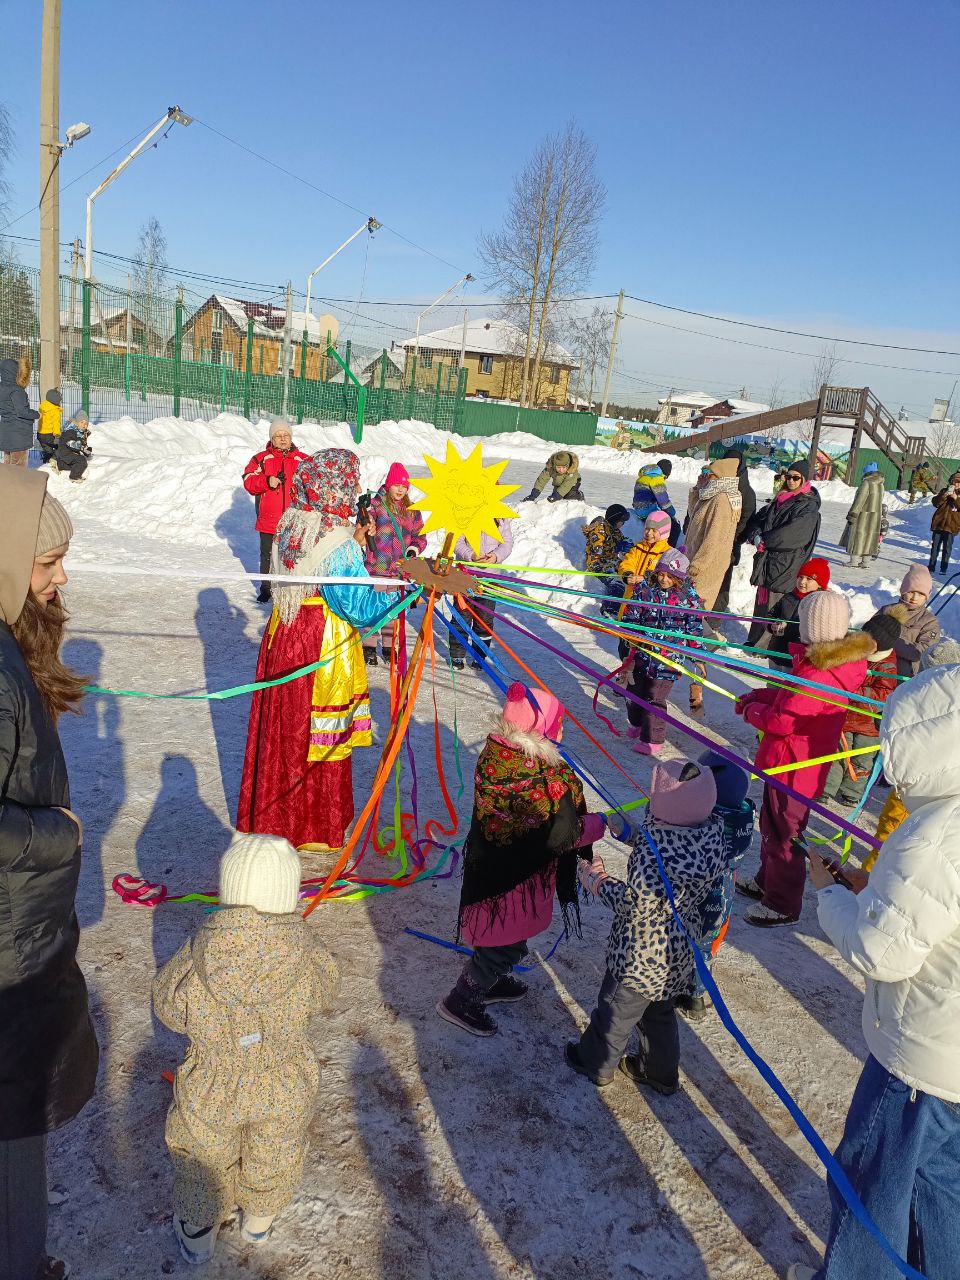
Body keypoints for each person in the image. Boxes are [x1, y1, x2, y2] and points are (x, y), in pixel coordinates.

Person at [789, 665, 960, 1280]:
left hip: (921, 1064)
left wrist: (828, 894)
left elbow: (882, 952)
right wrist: (876, 892)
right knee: (944, 1194)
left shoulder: (938, 834)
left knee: (869, 1192)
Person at [153, 832, 341, 1265]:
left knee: (202, 1154)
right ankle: (259, 1218)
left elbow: (168, 1005)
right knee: (277, 1148)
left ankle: (199, 1232)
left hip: (212, 1082)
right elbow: (327, 989)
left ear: (229, 891)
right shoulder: (308, 952)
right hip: (285, 1079)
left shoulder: (199, 953)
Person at [0, 469, 99, 1280]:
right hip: (8, 947)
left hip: (19, 925)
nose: (60, 577)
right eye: (45, 562)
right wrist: (54, 836)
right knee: (15, 1126)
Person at [236, 449, 399, 853]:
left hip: (284, 637)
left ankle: (276, 819)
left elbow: (314, 571)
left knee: (286, 731)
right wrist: (404, 595)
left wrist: (353, 541)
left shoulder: (294, 523)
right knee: (315, 736)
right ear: (334, 486)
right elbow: (356, 606)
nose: (356, 488)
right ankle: (312, 827)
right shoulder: (336, 542)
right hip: (318, 644)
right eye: (351, 481)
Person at [436, 682, 608, 1036]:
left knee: (503, 935)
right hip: (515, 882)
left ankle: (490, 980)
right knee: (504, 942)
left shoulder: (501, 757)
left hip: (492, 870)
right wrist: (598, 824)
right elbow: (561, 834)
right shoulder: (539, 779)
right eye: (556, 723)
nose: (561, 730)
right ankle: (462, 999)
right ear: (536, 729)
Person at [567, 759, 725, 1092]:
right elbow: (674, 852)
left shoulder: (658, 855)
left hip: (640, 956)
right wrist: (634, 835)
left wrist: (597, 881)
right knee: (659, 1014)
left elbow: (635, 903)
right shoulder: (710, 835)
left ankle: (594, 1062)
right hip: (676, 954)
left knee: (615, 1013)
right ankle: (659, 1072)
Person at [735, 591, 873, 926]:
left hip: (793, 767)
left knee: (785, 834)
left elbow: (784, 720)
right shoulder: (828, 666)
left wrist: (752, 711)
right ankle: (767, 881)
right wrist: (760, 695)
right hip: (791, 764)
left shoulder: (820, 675)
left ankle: (782, 903)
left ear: (813, 629)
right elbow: (790, 698)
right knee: (772, 825)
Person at [674, 751, 755, 1020]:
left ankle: (683, 990)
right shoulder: (743, 821)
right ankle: (696, 993)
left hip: (698, 895)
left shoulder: (705, 823)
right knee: (707, 944)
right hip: (723, 897)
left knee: (688, 942)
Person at [868, 638, 960, 866]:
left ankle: (873, 871)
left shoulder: (911, 699)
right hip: (940, 789)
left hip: (912, 784)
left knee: (892, 828)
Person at [620, 549, 704, 755]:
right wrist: (630, 634)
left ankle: (652, 740)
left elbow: (694, 631)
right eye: (661, 574)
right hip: (642, 656)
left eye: (669, 576)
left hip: (668, 661)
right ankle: (637, 724)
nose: (664, 579)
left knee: (654, 698)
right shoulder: (647, 593)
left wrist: (698, 657)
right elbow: (632, 615)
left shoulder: (688, 601)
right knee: (634, 693)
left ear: (679, 577)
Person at [821, 607, 906, 807]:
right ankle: (825, 789)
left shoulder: (887, 665)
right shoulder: (853, 653)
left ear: (881, 645)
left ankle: (852, 793)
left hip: (869, 724)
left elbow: (884, 694)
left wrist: (855, 693)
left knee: (862, 760)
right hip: (844, 717)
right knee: (837, 753)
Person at [744, 459, 822, 648]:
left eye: (796, 478)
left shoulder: (807, 506)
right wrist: (755, 535)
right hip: (768, 559)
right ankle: (755, 639)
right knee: (762, 602)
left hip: (787, 563)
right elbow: (758, 521)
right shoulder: (780, 498)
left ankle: (767, 645)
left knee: (776, 605)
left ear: (804, 480)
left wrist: (765, 540)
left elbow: (795, 534)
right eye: (788, 477)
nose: (791, 481)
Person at [362, 462, 427, 665]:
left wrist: (413, 549)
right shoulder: (375, 505)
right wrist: (365, 518)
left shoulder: (412, 511)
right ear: (388, 485)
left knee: (394, 610)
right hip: (376, 567)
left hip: (399, 571)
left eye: (404, 486)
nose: (401, 490)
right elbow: (364, 527)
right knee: (373, 608)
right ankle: (369, 646)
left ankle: (390, 646)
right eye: (397, 485)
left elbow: (420, 536)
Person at [242, 420, 310, 604]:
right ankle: (266, 588)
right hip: (269, 519)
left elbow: (315, 482)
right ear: (272, 439)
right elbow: (248, 481)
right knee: (267, 555)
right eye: (278, 436)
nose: (282, 439)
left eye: (285, 435)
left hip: (294, 519)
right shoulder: (261, 459)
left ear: (291, 437)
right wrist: (266, 481)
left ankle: (292, 589)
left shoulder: (302, 460)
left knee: (293, 555)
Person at [449, 517, 515, 668]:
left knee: (484, 620)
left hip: (489, 580)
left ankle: (479, 656)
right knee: (461, 617)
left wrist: (496, 556)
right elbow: (456, 542)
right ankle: (457, 655)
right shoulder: (463, 515)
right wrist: (470, 555)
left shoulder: (501, 518)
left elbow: (507, 543)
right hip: (464, 578)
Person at [683, 456, 742, 612]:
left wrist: (698, 565)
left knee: (694, 607)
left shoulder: (722, 499)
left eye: (710, 474)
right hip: (697, 556)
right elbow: (694, 515)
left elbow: (715, 537)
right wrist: (698, 489)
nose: (706, 476)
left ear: (721, 476)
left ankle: (699, 635)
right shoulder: (712, 493)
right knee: (688, 606)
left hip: (705, 563)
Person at [759, 556, 830, 669]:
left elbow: (817, 631)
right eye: (800, 577)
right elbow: (771, 615)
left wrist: (788, 627)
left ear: (820, 584)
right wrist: (772, 624)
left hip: (798, 656)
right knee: (773, 683)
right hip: (776, 651)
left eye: (809, 579)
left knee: (789, 685)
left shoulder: (820, 604)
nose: (802, 581)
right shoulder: (789, 596)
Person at [712, 446, 757, 616]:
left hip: (728, 546)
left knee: (721, 586)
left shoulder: (746, 492)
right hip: (707, 543)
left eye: (734, 463)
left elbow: (746, 521)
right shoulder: (713, 483)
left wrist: (730, 540)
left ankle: (713, 622)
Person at [882, 564, 940, 676]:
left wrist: (889, 642)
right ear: (903, 591)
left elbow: (924, 651)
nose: (915, 598)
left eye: (921, 594)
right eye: (911, 592)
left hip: (905, 675)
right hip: (877, 669)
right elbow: (869, 632)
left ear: (927, 596)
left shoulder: (929, 621)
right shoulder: (887, 610)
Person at [616, 510, 672, 621]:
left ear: (663, 532)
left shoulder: (667, 554)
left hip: (651, 604)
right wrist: (627, 574)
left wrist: (645, 579)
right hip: (630, 599)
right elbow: (627, 563)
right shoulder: (638, 548)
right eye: (647, 529)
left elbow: (667, 579)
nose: (649, 533)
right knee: (626, 632)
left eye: (654, 530)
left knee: (642, 631)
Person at [582, 503, 631, 618]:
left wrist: (627, 545)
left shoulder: (616, 531)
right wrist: (615, 548)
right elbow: (597, 549)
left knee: (627, 579)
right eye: (621, 521)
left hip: (611, 562)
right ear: (615, 519)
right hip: (598, 563)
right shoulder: (600, 529)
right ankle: (609, 609)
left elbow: (622, 542)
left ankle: (627, 607)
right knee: (616, 582)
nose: (622, 524)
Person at [840, 462, 885, 568]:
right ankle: (865, 562)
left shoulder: (867, 483)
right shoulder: (881, 484)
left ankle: (854, 562)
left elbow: (860, 500)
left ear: (867, 472)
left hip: (863, 514)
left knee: (858, 536)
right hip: (875, 515)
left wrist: (853, 514)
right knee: (870, 537)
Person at [0, 355, 38, 466]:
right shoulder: (17, 391)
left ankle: (6, 482)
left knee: (8, 463)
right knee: (19, 465)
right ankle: (18, 483)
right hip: (19, 434)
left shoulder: (2, 388)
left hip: (7, 432)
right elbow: (22, 412)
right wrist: (37, 414)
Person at [928, 470, 960, 574]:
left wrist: (956, 499)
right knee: (935, 547)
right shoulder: (944, 491)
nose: (956, 484)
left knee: (947, 548)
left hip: (951, 526)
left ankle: (943, 568)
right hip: (939, 523)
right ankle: (931, 566)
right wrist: (943, 496)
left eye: (958, 482)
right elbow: (935, 503)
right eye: (954, 482)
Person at [54, 412, 92, 484]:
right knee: (81, 460)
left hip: (69, 452)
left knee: (75, 465)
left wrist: (86, 450)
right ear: (77, 423)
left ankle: (60, 464)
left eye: (86, 423)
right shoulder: (71, 430)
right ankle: (74, 477)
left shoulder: (80, 432)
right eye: (82, 422)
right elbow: (70, 443)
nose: (84, 425)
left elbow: (81, 444)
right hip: (65, 451)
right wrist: (81, 448)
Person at [36, 389, 62, 464]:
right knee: (60, 446)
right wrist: (57, 435)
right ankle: (54, 460)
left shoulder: (43, 406)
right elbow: (56, 424)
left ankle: (46, 464)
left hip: (40, 434)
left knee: (47, 451)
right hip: (49, 435)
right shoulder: (55, 410)